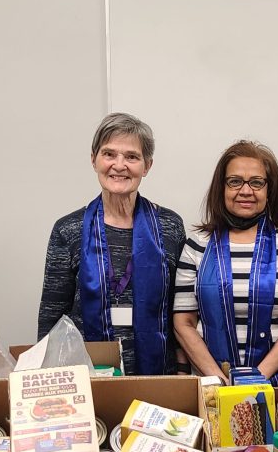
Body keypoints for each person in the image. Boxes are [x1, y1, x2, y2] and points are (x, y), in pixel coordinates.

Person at [37, 113, 185, 375]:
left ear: (147, 166)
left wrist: (184, 372)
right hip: (85, 374)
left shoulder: (169, 226)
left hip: (159, 375)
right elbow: (52, 316)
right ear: (94, 160)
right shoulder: (68, 230)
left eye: (131, 156)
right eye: (109, 154)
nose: (120, 165)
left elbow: (182, 309)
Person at [173, 141, 278, 386]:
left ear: (269, 190)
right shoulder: (196, 246)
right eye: (235, 181)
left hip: (272, 383)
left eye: (257, 182)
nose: (246, 191)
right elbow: (183, 323)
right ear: (222, 188)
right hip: (209, 386)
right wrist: (218, 379)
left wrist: (254, 379)